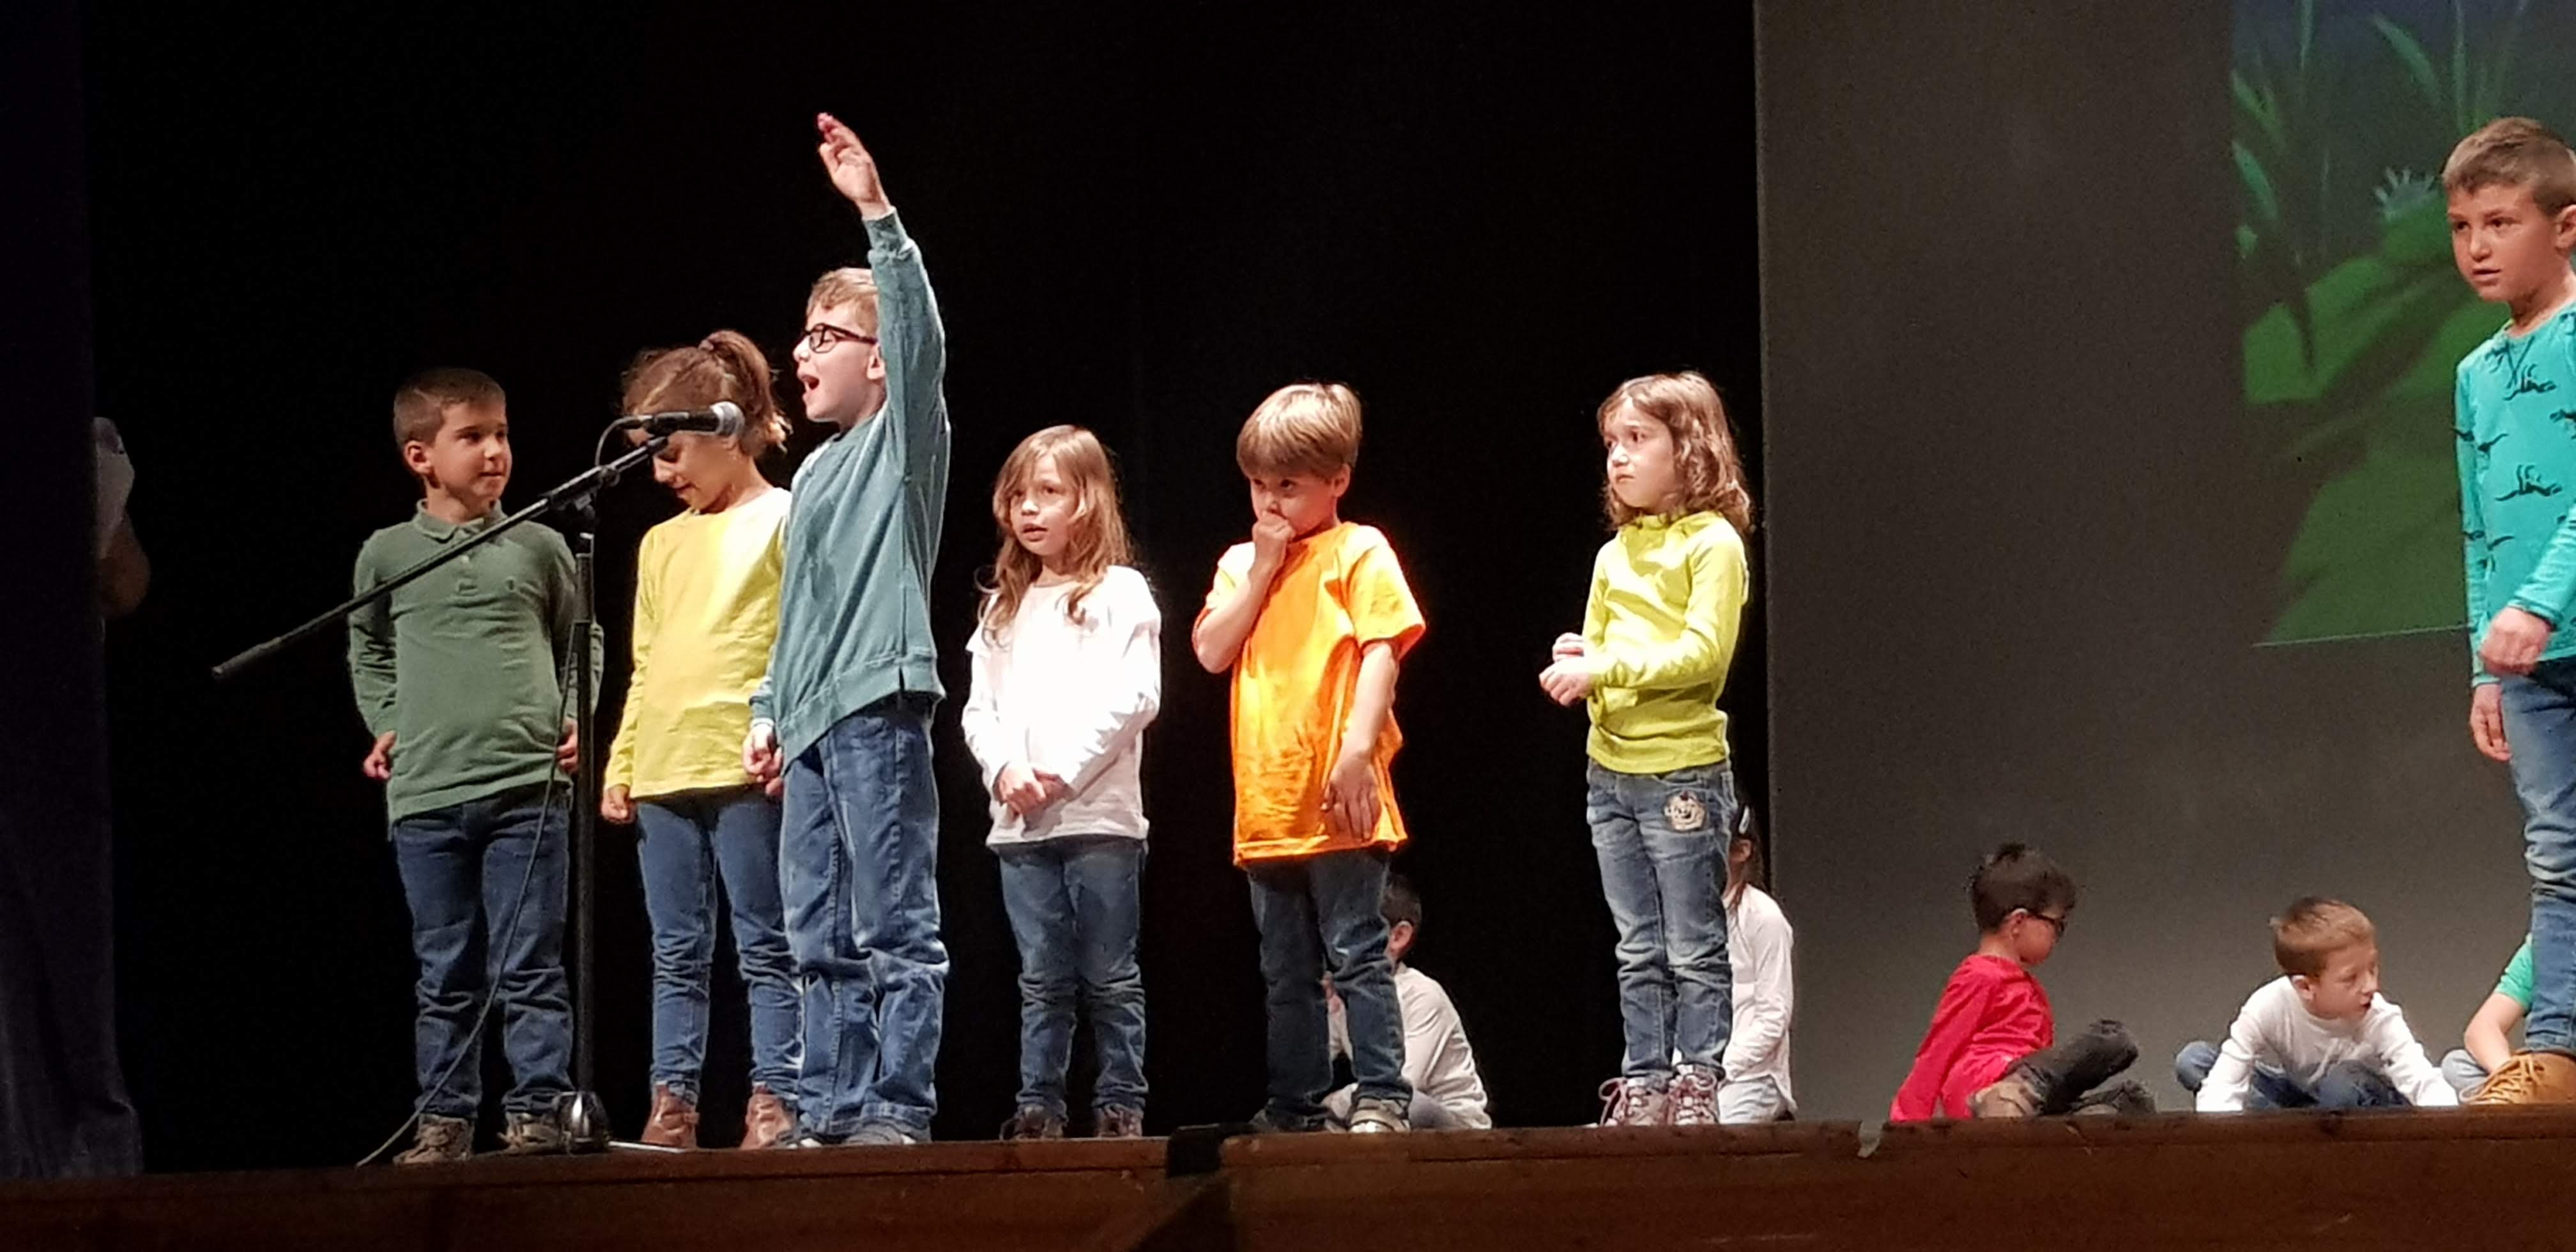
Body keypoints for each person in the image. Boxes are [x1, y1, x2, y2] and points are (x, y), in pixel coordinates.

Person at [740, 114, 954, 1146]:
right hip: (813, 721)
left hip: (877, 705)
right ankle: (827, 1110)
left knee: (891, 923)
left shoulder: (904, 443)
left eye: (825, 337)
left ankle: (896, 1109)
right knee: (814, 932)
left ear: (877, 362)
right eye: (804, 334)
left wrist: (876, 212)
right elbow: (799, 612)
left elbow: (919, 337)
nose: (801, 352)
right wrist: (769, 709)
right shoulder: (816, 473)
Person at [349, 368, 592, 1162]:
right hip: (428, 794)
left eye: (502, 434)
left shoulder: (539, 545)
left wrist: (575, 713)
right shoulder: (387, 554)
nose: (495, 452)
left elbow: (580, 636)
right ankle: (445, 1119)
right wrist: (388, 722)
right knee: (445, 970)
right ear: (420, 456)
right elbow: (368, 645)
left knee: (530, 964)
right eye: (473, 436)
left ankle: (539, 1112)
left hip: (526, 784)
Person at [1193, 382, 1423, 1134]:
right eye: (1259, 484)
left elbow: (1382, 651)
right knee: (1284, 970)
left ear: (1337, 480)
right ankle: (1296, 1105)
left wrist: (1357, 750)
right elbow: (1211, 650)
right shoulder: (1241, 562)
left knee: (1356, 951)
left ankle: (1382, 1093)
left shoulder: (1358, 549)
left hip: (1339, 793)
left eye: (1288, 485)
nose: (1271, 500)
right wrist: (1262, 568)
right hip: (1270, 804)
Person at [598, 332, 800, 1149]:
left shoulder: (785, 517)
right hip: (663, 767)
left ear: (726, 429)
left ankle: (775, 1096)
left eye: (671, 452)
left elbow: (795, 641)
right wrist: (622, 760)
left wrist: (782, 732)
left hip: (743, 760)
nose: (661, 473)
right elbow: (646, 661)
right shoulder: (660, 543)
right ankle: (672, 1104)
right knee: (675, 951)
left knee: (766, 941)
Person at [1538, 371, 1753, 1127]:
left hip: (1681, 771)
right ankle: (1645, 1078)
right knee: (1636, 946)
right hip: (1611, 774)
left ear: (1687, 448)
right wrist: (1581, 655)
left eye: (1637, 439)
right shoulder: (1613, 555)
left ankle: (1698, 1077)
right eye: (1612, 444)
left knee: (1691, 943)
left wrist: (1604, 666)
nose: (1619, 458)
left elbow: (1702, 655)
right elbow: (1603, 646)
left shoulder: (1714, 544)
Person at [959, 425, 1160, 1140]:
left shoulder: (1120, 591)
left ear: (1087, 501)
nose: (1029, 509)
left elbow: (1136, 696)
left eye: (1048, 492)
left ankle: (1120, 1104)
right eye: (1019, 495)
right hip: (1022, 826)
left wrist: (1062, 771)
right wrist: (1005, 769)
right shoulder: (1003, 605)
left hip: (1100, 819)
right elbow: (980, 709)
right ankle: (1039, 1105)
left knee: (1109, 975)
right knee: (1041, 979)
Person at [2446, 116, 2576, 1104]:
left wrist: (2540, 602)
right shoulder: (2476, 374)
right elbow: (2479, 528)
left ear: (2565, 226)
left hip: (2552, 624)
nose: (2478, 246)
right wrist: (2483, 669)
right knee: (2559, 856)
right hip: (2530, 669)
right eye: (2462, 227)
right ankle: (2560, 1048)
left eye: (2501, 222)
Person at [1889, 844, 2147, 1120]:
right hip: (1987, 1086)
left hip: (2032, 1097)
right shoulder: (1980, 975)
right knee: (2113, 1038)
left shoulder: (2032, 989)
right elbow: (1938, 1051)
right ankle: (2006, 1097)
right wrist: (1907, 1123)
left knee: (2132, 1099)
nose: (2058, 936)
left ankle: (2037, 1108)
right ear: (2018, 922)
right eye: (2057, 925)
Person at [2175, 897, 2455, 1111]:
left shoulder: (2378, 1016)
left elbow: (2422, 1081)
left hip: (2365, 1104)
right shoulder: (2267, 1006)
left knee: (2343, 1082)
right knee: (2195, 1060)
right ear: (2305, 987)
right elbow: (2225, 1083)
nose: (2371, 985)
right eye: (2351, 978)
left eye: (2373, 968)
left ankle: (2312, 1135)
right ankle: (2293, 1136)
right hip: (2304, 1100)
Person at [1326, 875, 1493, 1131]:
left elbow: (1401, 1085)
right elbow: (1312, 1069)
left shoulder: (1423, 995)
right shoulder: (1344, 994)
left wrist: (1329, 1104)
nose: (1339, 944)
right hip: (1380, 1110)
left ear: (1398, 936)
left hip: (1454, 1124)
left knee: (1395, 1101)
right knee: (1314, 1116)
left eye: (1355, 932)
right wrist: (1316, 1012)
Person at [1718, 807, 1793, 1124]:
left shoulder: (1763, 917)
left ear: (1741, 851)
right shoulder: (1690, 918)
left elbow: (1774, 1016)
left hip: (1753, 1078)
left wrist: (1721, 1068)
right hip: (1695, 1079)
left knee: (1698, 1139)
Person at [2442, 936, 2533, 1097]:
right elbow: (2482, 1030)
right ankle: (2527, 1104)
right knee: (2457, 1065)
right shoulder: (2541, 949)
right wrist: (2516, 1082)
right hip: (2547, 1085)